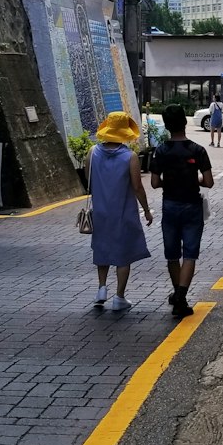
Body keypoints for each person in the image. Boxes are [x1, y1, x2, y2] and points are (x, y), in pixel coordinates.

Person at [150, 104, 214, 318]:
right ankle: (180, 297)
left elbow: (154, 183)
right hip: (192, 206)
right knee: (190, 254)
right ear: (185, 123)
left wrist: (170, 180)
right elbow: (209, 182)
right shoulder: (197, 150)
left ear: (167, 126)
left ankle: (179, 295)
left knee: (172, 255)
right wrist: (192, 178)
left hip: (169, 205)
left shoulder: (160, 151)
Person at [88, 112, 153, 313]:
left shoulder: (92, 152)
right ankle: (119, 297)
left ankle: (101, 289)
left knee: (102, 250)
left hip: (100, 211)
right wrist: (146, 210)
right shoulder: (130, 157)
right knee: (123, 255)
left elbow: (88, 180)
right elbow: (137, 187)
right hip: (123, 212)